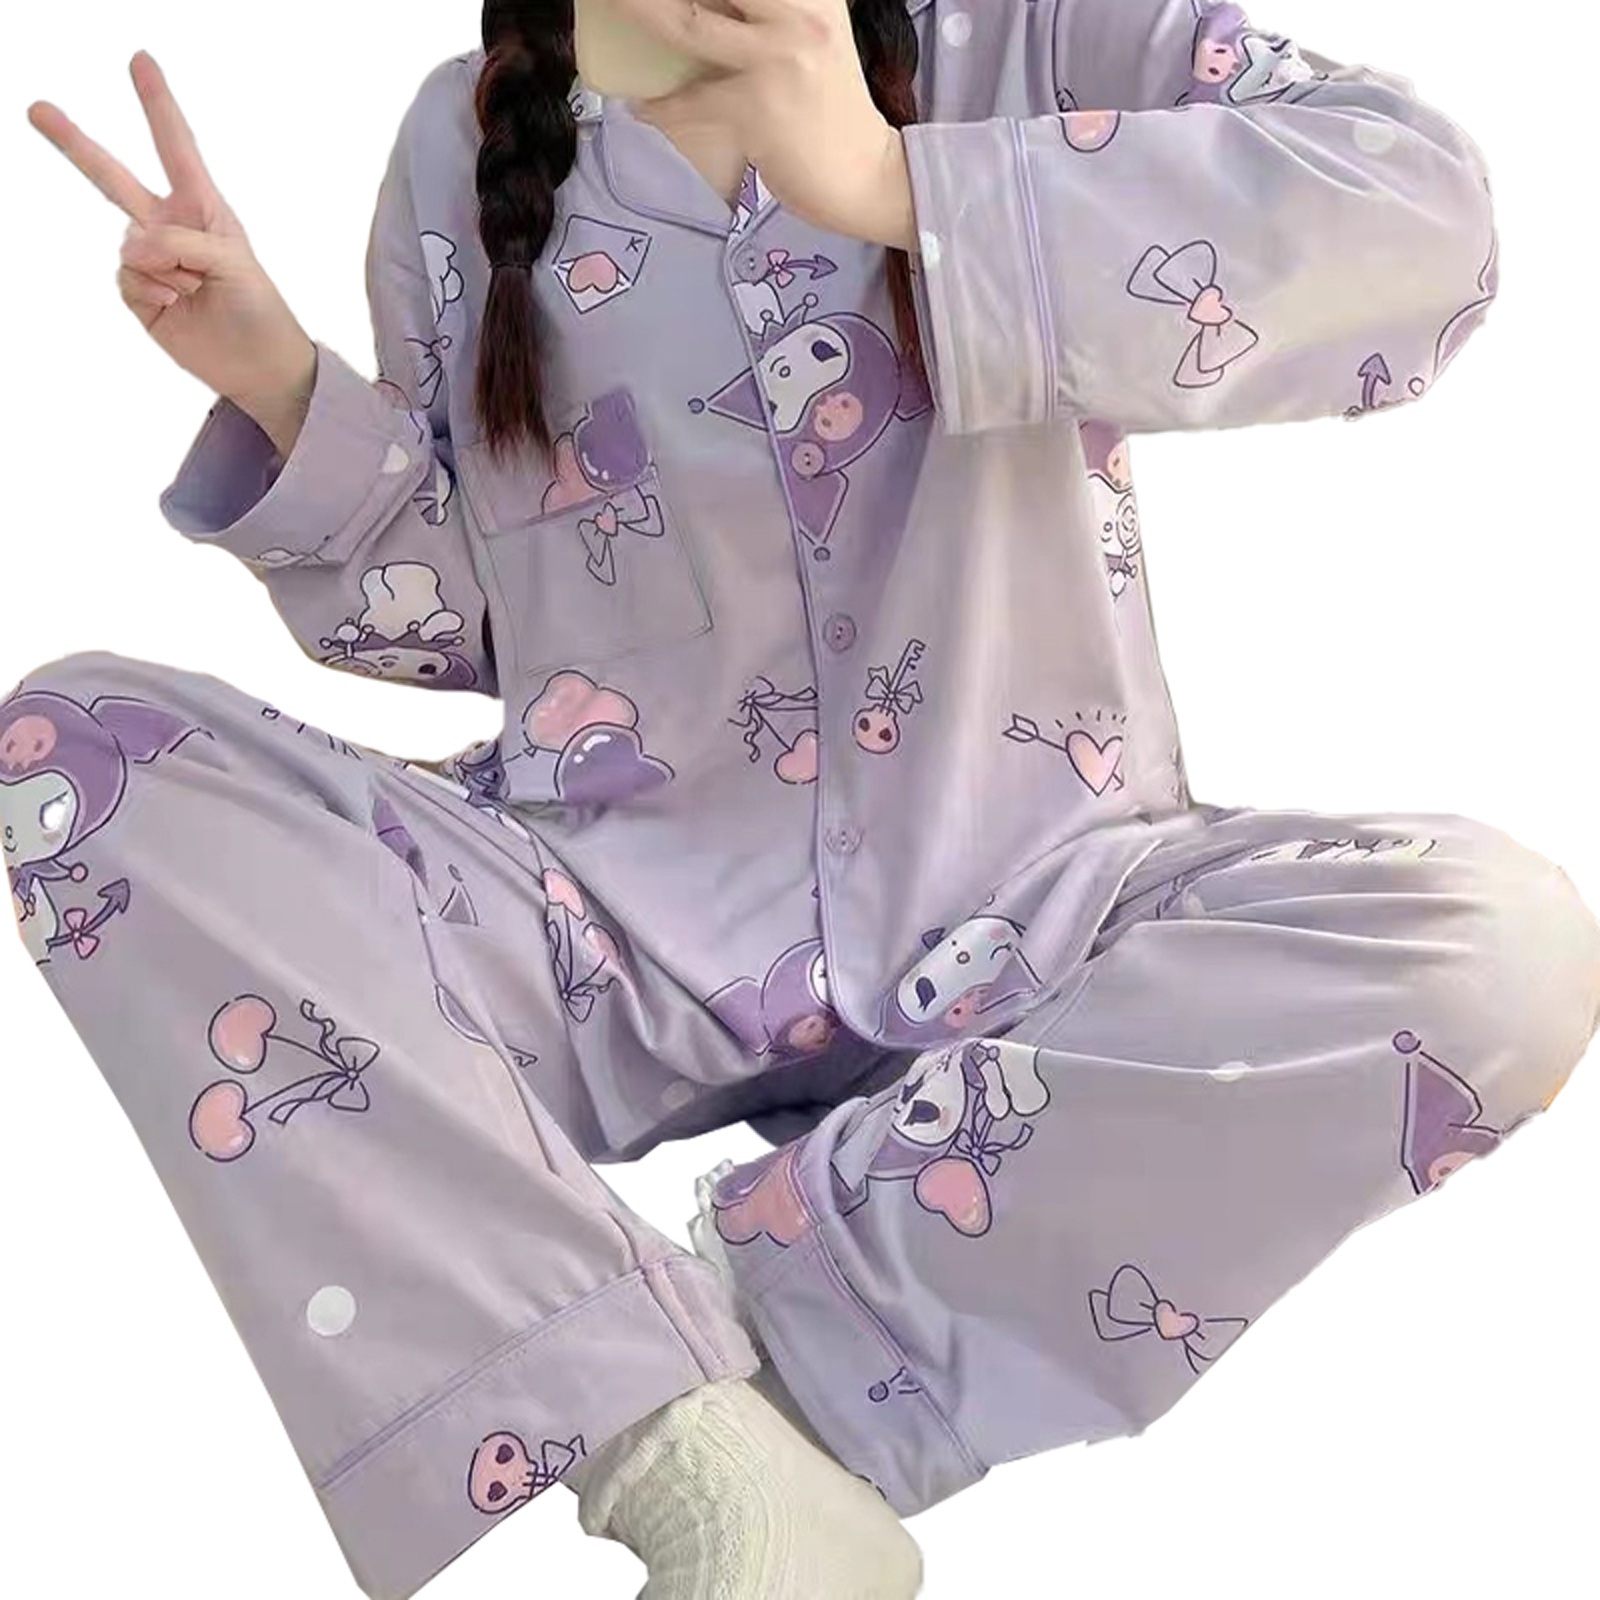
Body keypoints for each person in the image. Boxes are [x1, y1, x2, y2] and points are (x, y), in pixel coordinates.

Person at [14, 3, 1600, 1597]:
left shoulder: (1028, 41)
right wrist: (284, 389)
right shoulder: (461, 143)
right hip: (607, 935)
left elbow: (1423, 227)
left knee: (1499, 946)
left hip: (1033, 906)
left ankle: (741, 1373)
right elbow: (486, 624)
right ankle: (683, 1460)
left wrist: (904, 191)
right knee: (75, 753)